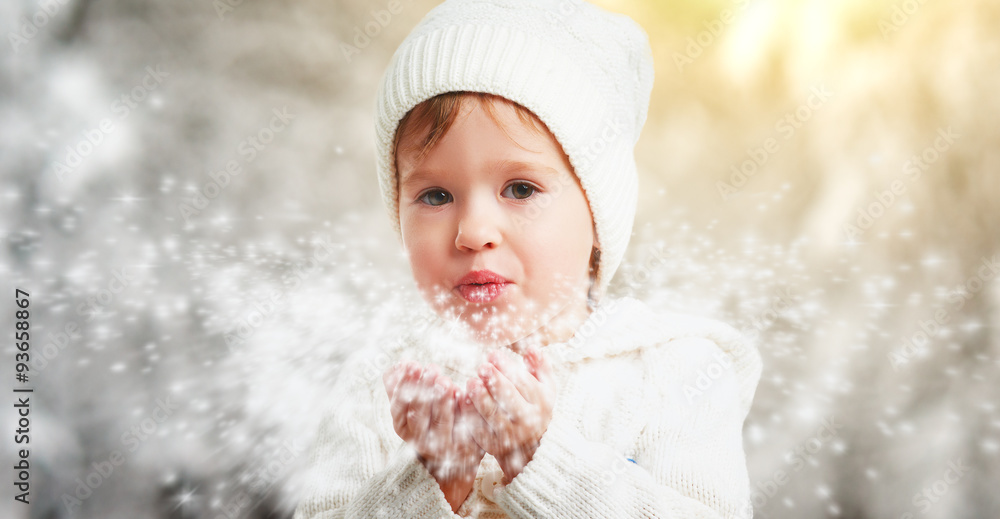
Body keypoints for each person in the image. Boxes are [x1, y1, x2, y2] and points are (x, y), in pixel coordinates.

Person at [293, 0, 762, 517]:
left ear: (598, 217)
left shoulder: (676, 372)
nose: (472, 232)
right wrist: (435, 481)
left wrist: (540, 458)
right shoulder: (382, 383)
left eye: (520, 188)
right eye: (435, 196)